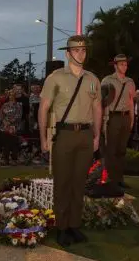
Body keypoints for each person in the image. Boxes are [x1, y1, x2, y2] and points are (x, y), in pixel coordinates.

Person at [38, 35, 102, 248]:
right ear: (67, 53)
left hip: (85, 134)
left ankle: (74, 225)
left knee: (78, 182)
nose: (81, 54)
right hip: (63, 134)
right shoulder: (55, 77)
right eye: (76, 50)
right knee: (63, 182)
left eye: (84, 50)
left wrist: (97, 135)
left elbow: (97, 108)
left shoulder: (93, 79)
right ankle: (62, 227)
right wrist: (43, 139)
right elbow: (44, 108)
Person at [101, 54, 135, 189]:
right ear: (115, 66)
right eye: (121, 64)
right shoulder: (107, 81)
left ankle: (119, 178)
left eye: (126, 64)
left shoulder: (130, 82)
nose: (124, 66)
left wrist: (132, 119)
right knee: (111, 150)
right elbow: (102, 102)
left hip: (125, 116)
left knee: (122, 150)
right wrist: (104, 120)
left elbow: (131, 102)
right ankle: (111, 179)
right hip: (113, 117)